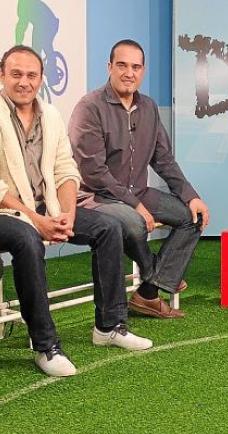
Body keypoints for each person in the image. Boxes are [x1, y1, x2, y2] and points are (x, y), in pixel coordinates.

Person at [0, 46, 152, 377]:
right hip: (7, 212)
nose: (24, 82)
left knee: (108, 227)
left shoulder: (50, 115)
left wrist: (67, 213)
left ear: (41, 79)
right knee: (27, 240)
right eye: (16, 74)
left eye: (31, 75)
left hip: (45, 207)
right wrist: (36, 220)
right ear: (2, 76)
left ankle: (109, 327)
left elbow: (66, 170)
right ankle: (45, 345)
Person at [68, 39, 210, 319]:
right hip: (97, 196)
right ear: (109, 67)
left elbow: (163, 159)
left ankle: (148, 291)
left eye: (135, 67)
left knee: (191, 217)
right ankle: (154, 274)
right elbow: (94, 172)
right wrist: (135, 204)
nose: (128, 73)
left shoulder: (149, 107)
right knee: (134, 224)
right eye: (122, 65)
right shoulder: (89, 107)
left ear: (143, 71)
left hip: (138, 191)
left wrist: (191, 196)